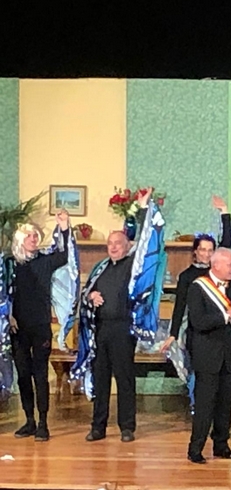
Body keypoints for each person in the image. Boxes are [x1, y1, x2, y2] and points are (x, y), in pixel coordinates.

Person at [74, 188, 166, 443]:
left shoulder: (133, 266)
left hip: (123, 330)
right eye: (110, 244)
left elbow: (148, 243)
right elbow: (86, 295)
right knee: (101, 379)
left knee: (124, 380)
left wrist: (143, 208)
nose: (113, 247)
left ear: (127, 246)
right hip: (101, 330)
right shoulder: (101, 268)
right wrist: (91, 297)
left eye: (118, 243)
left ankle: (127, 427)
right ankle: (98, 427)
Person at [160, 196, 231, 412]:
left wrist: (225, 212)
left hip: (219, 330)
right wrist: (173, 334)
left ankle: (215, 408)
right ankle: (197, 405)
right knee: (197, 372)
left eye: (210, 250)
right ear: (195, 251)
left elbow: (227, 243)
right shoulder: (187, 276)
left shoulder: (218, 272)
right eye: (203, 250)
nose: (207, 254)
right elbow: (180, 305)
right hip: (195, 331)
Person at [6, 210, 72, 441]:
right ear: (20, 240)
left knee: (40, 374)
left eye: (36, 236)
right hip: (17, 327)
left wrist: (64, 227)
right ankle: (29, 421)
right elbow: (4, 293)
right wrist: (7, 315)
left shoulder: (45, 260)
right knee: (23, 374)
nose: (34, 239)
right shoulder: (10, 264)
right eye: (29, 236)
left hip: (40, 325)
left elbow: (64, 256)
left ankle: (43, 422)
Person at [186, 248, 231, 464]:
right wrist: (227, 314)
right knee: (205, 405)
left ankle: (221, 446)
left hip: (227, 354)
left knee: (225, 405)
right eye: (230, 265)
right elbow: (198, 322)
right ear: (216, 265)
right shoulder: (198, 287)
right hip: (206, 355)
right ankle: (195, 449)